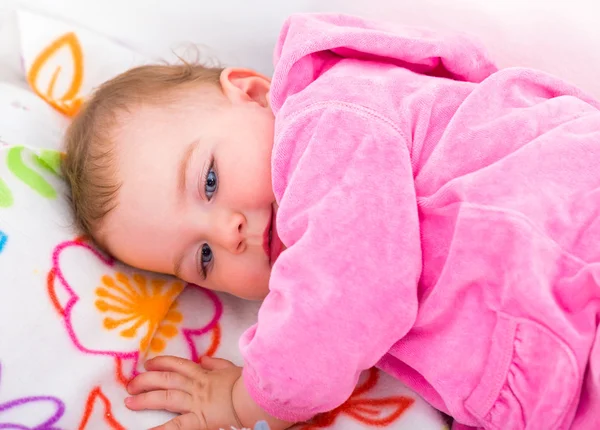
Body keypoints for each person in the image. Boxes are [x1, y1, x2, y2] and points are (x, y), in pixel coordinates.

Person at [62, 13, 600, 430]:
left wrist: (244, 398)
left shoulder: (328, 120)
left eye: (208, 182)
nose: (229, 233)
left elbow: (349, 291)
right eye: (203, 258)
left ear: (250, 93)